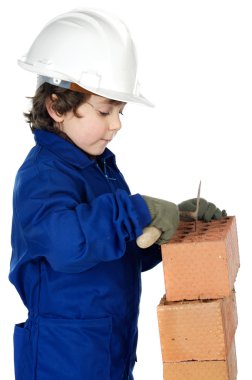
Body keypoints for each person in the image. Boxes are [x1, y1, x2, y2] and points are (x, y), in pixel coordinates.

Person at [9, 9, 225, 380]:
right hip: (61, 361)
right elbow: (67, 242)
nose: (117, 124)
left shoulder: (100, 169)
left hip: (110, 352)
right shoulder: (41, 176)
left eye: (120, 112)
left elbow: (120, 253)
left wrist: (170, 228)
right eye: (106, 110)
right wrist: (139, 210)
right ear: (56, 106)